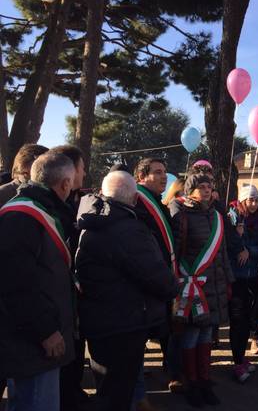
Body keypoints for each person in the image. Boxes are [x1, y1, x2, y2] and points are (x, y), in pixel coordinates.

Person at [75, 171, 178, 411]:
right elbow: (155, 276)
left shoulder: (92, 218)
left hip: (100, 320)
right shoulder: (126, 229)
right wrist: (172, 288)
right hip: (124, 323)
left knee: (107, 389)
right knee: (118, 394)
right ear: (134, 198)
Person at [0, 151, 76, 411]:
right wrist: (46, 331)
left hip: (35, 340)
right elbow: (16, 283)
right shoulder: (21, 216)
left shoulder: (38, 209)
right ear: (65, 184)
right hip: (32, 343)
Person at [169, 173, 234, 407]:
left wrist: (228, 279)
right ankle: (192, 382)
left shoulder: (216, 215)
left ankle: (205, 380)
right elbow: (175, 253)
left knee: (207, 333)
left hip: (215, 283)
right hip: (192, 285)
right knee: (192, 334)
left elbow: (223, 251)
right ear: (190, 190)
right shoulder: (180, 215)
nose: (206, 190)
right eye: (201, 187)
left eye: (209, 186)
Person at [47, 145, 89, 411]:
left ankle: (74, 391)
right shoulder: (53, 208)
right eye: (83, 168)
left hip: (74, 294)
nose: (85, 173)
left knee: (75, 346)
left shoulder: (79, 200)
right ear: (70, 172)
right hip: (56, 299)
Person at [132, 157, 175, 406]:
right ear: (142, 177)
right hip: (144, 284)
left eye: (165, 172)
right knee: (137, 339)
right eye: (157, 172)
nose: (163, 177)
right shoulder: (139, 202)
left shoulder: (157, 203)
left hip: (157, 281)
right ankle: (138, 395)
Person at [228, 185, 258, 383]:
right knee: (238, 320)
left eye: (256, 200)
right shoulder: (233, 217)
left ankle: (242, 356)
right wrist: (238, 236)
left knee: (248, 318)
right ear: (242, 200)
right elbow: (228, 246)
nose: (253, 203)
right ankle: (236, 362)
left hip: (253, 276)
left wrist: (250, 251)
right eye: (250, 200)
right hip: (237, 277)